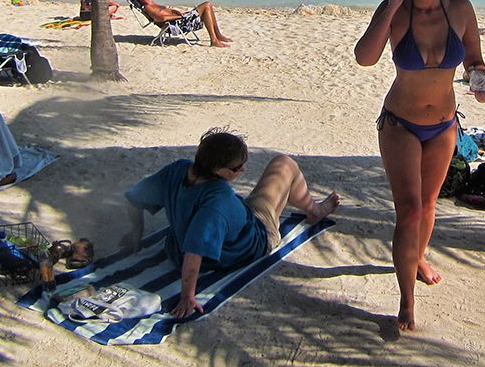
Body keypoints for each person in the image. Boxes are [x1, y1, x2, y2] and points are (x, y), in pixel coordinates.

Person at [354, 0, 485, 331]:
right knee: (409, 209)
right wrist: (393, 4)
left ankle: (419, 255)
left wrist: (482, 83)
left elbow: (475, 60)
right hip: (400, 123)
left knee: (428, 206)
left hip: (445, 124)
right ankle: (406, 301)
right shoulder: (395, 11)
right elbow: (364, 58)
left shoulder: (460, 9)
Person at [119, 129, 339, 319]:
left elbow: (134, 198)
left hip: (177, 248)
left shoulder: (177, 170)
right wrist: (187, 297)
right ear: (219, 169)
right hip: (251, 241)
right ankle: (315, 210)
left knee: (265, 193)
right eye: (237, 168)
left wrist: (136, 232)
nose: (242, 170)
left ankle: (311, 208)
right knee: (285, 165)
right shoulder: (217, 200)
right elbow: (195, 252)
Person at [129, 0, 232, 47]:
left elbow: (163, 13)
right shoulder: (149, 7)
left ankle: (217, 35)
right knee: (206, 5)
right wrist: (178, 15)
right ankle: (214, 39)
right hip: (177, 24)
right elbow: (161, 18)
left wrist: (176, 12)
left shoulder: (152, 4)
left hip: (178, 20)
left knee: (207, 6)